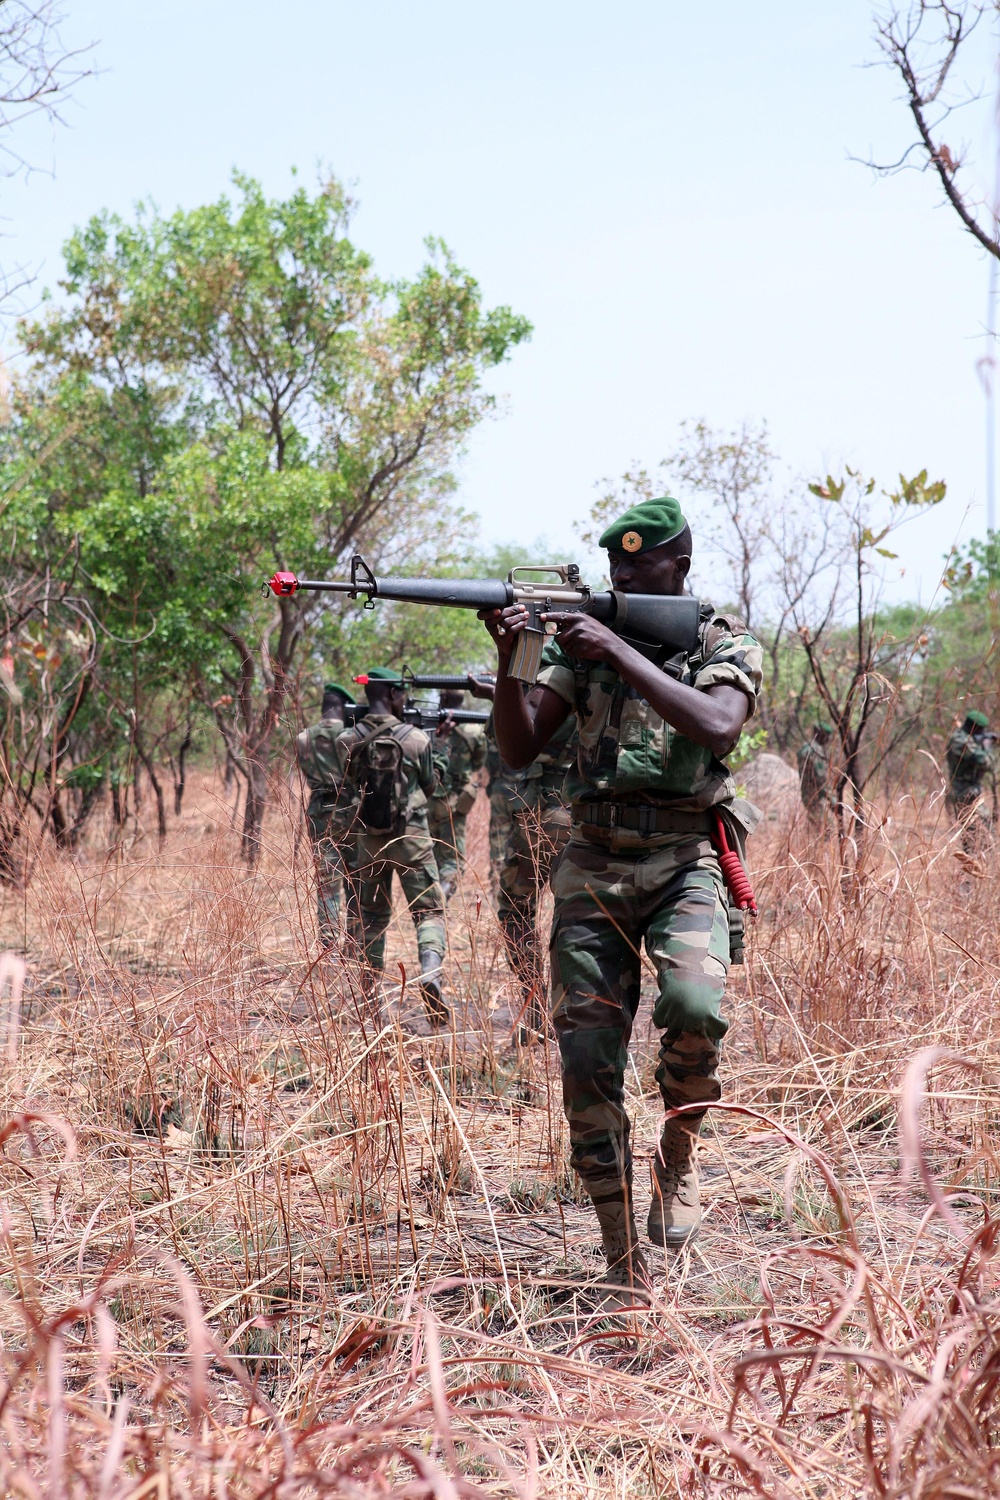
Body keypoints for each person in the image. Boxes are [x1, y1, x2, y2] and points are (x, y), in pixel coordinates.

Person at [481, 495, 763, 1308]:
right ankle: (618, 1254)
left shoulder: (720, 640)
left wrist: (616, 647)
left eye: (640, 563)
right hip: (594, 860)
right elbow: (519, 744)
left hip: (685, 857)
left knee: (695, 1005)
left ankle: (679, 1159)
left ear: (678, 562)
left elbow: (717, 723)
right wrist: (514, 663)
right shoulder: (582, 648)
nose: (625, 574)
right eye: (616, 565)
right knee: (587, 1058)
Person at [335, 668, 448, 1027]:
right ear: (395, 694)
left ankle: (370, 1002)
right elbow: (431, 787)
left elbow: (348, 784)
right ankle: (429, 972)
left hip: (370, 840)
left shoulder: (348, 739)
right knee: (428, 913)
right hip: (411, 839)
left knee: (372, 919)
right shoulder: (416, 739)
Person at [496, 714, 578, 1041]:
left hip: (541, 810)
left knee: (516, 912)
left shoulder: (538, 665)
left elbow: (509, 740)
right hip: (587, 810)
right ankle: (577, 1012)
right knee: (577, 913)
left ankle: (536, 1009)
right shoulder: (613, 666)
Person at [295, 682, 357, 946]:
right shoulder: (353, 735)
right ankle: (355, 941)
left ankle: (328, 941)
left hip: (319, 811)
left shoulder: (302, 738)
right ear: (344, 707)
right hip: (350, 812)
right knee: (355, 880)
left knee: (326, 880)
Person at [426, 689, 487, 900]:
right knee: (453, 859)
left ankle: (430, 900)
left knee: (430, 854)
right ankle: (440, 900)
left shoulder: (429, 727)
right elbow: (479, 762)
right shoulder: (474, 731)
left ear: (442, 699)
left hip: (428, 799)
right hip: (454, 802)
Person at [946, 709, 997, 853]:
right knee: (986, 836)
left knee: (972, 837)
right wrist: (987, 746)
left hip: (967, 792)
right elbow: (988, 764)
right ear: (973, 728)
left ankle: (971, 871)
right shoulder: (961, 742)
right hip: (965, 793)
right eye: (980, 730)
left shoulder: (963, 739)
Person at [797, 721, 833, 823]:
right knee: (827, 827)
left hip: (806, 794)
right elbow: (820, 779)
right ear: (822, 735)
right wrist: (833, 801)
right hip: (815, 795)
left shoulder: (804, 748)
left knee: (816, 825)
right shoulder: (815, 751)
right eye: (827, 736)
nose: (828, 740)